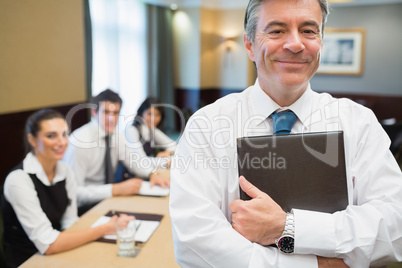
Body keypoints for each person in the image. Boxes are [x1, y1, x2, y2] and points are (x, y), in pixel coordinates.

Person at [169, 0, 402, 267]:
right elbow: (194, 242)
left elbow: (394, 229)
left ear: (321, 42)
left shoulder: (358, 123)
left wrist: (287, 228)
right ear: (249, 45)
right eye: (277, 31)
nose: (295, 44)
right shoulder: (207, 125)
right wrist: (318, 265)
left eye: (308, 31)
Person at [1, 109, 134, 268]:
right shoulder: (19, 179)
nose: (62, 142)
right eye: (51, 136)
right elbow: (48, 243)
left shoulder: (65, 170)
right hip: (28, 259)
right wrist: (105, 228)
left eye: (64, 134)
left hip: (60, 251)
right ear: (33, 140)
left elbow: (70, 223)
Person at [63, 89, 169, 214]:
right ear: (93, 112)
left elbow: (134, 161)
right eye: (106, 112)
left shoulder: (116, 135)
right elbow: (74, 192)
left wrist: (152, 174)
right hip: (84, 207)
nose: (111, 118)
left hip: (109, 199)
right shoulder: (80, 142)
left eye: (116, 113)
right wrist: (115, 189)